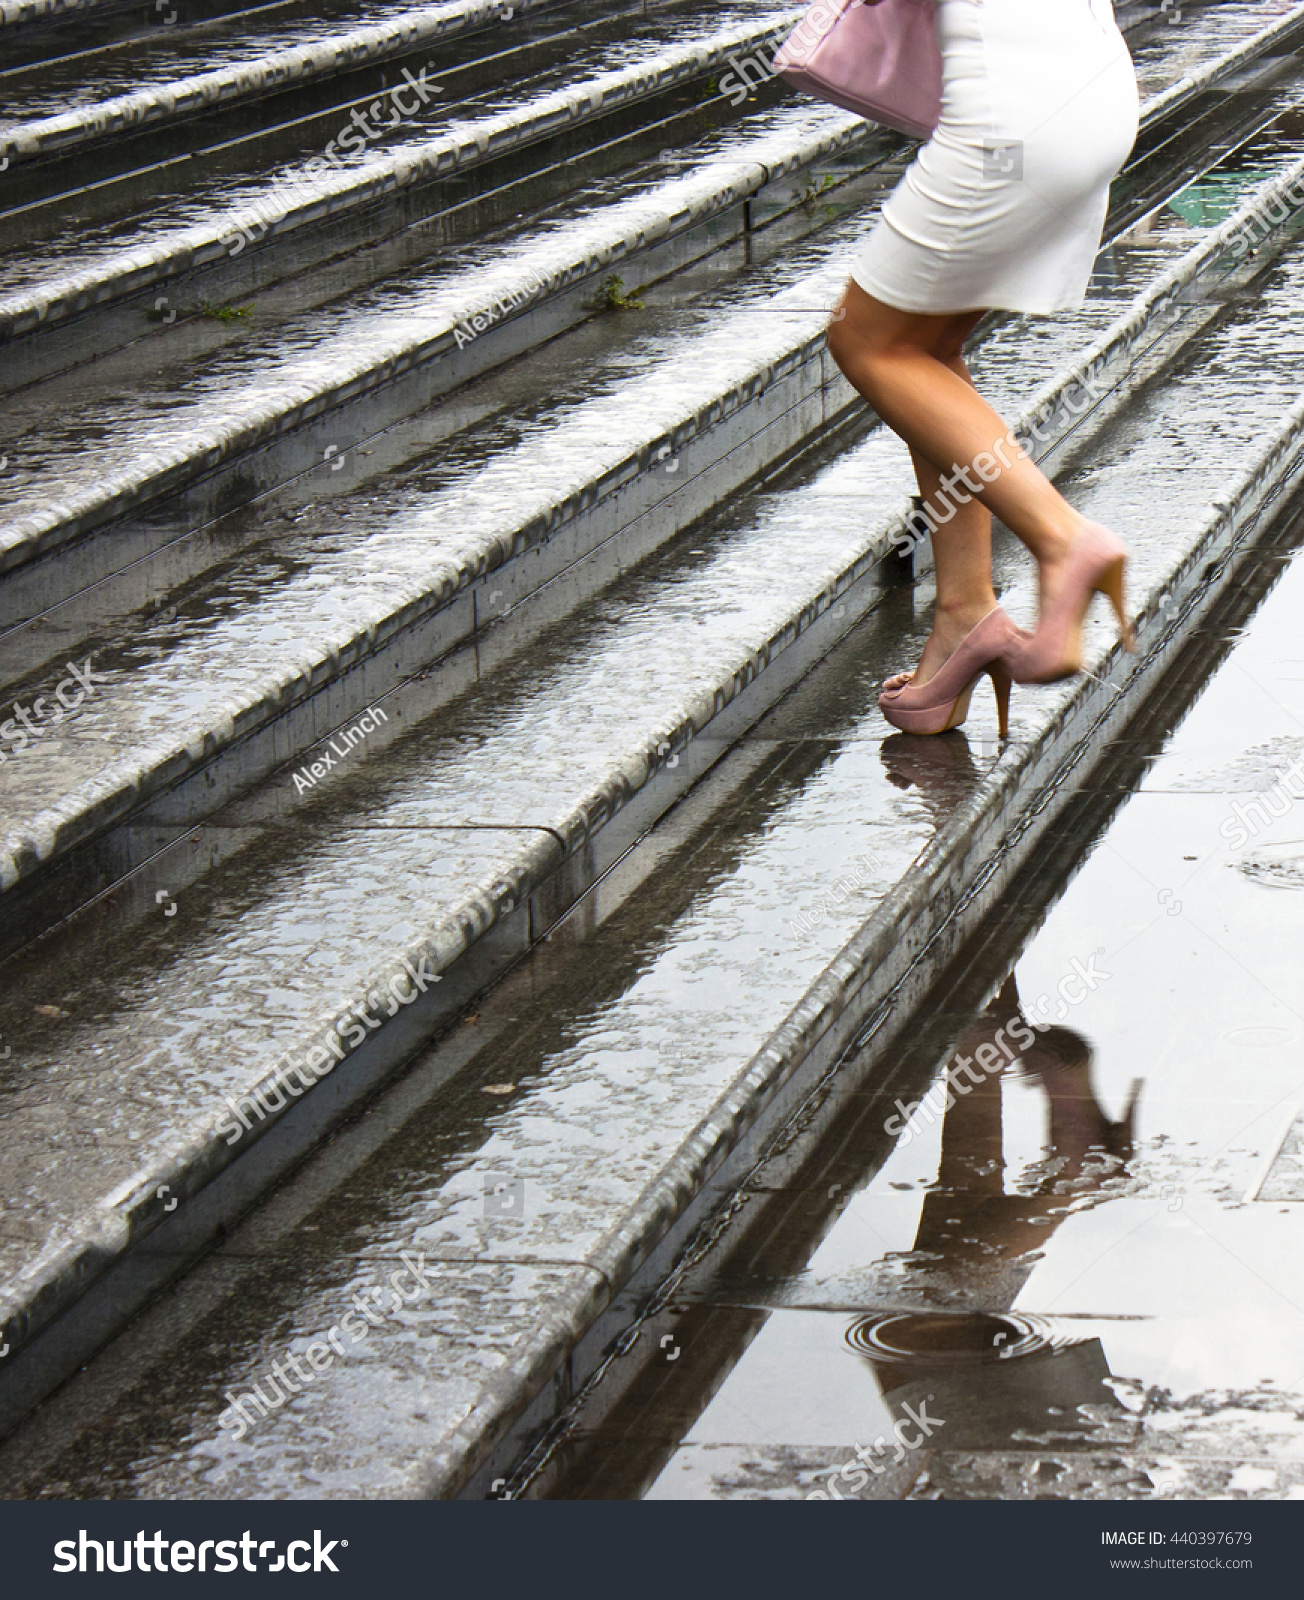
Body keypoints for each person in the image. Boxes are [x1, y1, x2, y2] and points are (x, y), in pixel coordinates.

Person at [826, 0, 1140, 736]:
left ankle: (1064, 540)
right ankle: (965, 610)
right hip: (1086, 85)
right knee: (923, 351)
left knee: (865, 340)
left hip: (1012, 105)